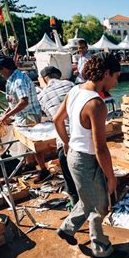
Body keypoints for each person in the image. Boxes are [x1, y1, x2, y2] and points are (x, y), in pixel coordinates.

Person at [53, 52, 121, 258]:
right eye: (116, 76)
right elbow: (100, 148)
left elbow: (57, 120)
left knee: (86, 198)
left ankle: (66, 228)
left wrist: (67, 143)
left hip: (74, 155)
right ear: (106, 73)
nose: (117, 82)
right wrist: (111, 178)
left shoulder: (75, 90)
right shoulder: (96, 104)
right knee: (99, 206)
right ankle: (100, 248)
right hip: (86, 160)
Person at [0, 55, 48, 183]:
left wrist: (7, 116)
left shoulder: (18, 80)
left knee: (34, 145)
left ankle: (44, 170)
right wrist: (5, 113)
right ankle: (30, 164)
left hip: (29, 116)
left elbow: (23, 102)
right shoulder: (12, 79)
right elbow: (14, 102)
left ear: (5, 69)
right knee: (25, 143)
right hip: (21, 116)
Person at [37, 66, 77, 204]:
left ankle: (74, 200)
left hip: (64, 144)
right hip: (82, 137)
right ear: (58, 75)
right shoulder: (70, 84)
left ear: (44, 78)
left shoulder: (41, 95)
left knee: (70, 179)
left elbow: (50, 116)